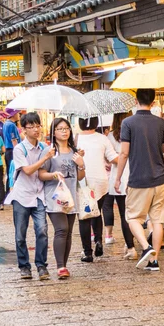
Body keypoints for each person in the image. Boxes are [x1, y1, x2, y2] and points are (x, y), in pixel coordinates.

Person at [115, 89, 164, 272]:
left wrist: (118, 177)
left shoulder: (127, 123)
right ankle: (154, 261)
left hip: (138, 179)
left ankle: (146, 248)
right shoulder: (160, 122)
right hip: (160, 179)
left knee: (132, 217)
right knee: (158, 220)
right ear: (153, 102)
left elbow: (123, 153)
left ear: (136, 101)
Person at [5, 112, 53, 280]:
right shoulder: (19, 149)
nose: (35, 129)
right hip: (22, 196)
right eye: (31, 127)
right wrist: (45, 158)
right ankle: (24, 266)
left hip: (39, 195)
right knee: (20, 234)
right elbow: (27, 170)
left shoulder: (44, 147)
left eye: (37, 125)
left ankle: (41, 265)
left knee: (42, 230)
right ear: (24, 130)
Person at [39, 118, 85, 280]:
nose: (64, 131)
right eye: (60, 129)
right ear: (54, 132)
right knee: (61, 229)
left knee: (69, 232)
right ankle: (60, 266)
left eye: (67, 128)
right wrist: (53, 175)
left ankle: (63, 265)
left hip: (71, 195)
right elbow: (41, 174)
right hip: (55, 196)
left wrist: (81, 164)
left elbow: (79, 177)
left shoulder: (74, 151)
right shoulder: (49, 151)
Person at [76, 117, 118, 262]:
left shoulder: (75, 138)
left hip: (84, 180)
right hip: (101, 181)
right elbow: (113, 158)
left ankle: (87, 252)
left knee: (84, 217)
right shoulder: (103, 138)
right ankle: (98, 240)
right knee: (96, 213)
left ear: (81, 123)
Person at [104, 111, 135, 260]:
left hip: (120, 177)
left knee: (124, 213)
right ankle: (133, 241)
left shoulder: (110, 136)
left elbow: (109, 158)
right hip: (135, 174)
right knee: (135, 213)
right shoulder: (134, 131)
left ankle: (130, 246)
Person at [3, 110, 21, 194]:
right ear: (13, 114)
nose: (19, 115)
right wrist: (18, 152)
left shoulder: (6, 124)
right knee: (13, 172)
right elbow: (14, 139)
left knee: (10, 172)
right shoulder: (11, 125)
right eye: (17, 113)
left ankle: (8, 192)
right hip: (12, 151)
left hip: (8, 151)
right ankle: (11, 192)